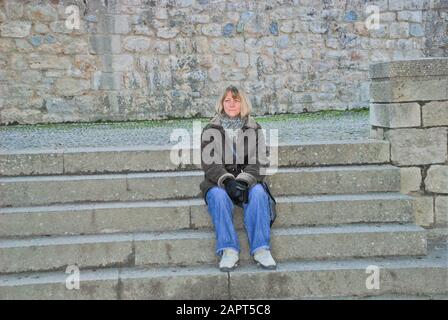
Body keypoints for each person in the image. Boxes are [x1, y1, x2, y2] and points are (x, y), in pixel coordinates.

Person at [199, 85, 277, 272]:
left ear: (243, 103)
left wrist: (243, 181)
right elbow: (209, 163)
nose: (231, 104)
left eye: (236, 100)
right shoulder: (211, 129)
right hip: (218, 183)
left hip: (247, 181)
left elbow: (260, 160)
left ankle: (261, 249)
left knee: (258, 192)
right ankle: (229, 250)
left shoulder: (255, 128)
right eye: (227, 100)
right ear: (221, 104)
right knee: (218, 196)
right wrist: (227, 181)